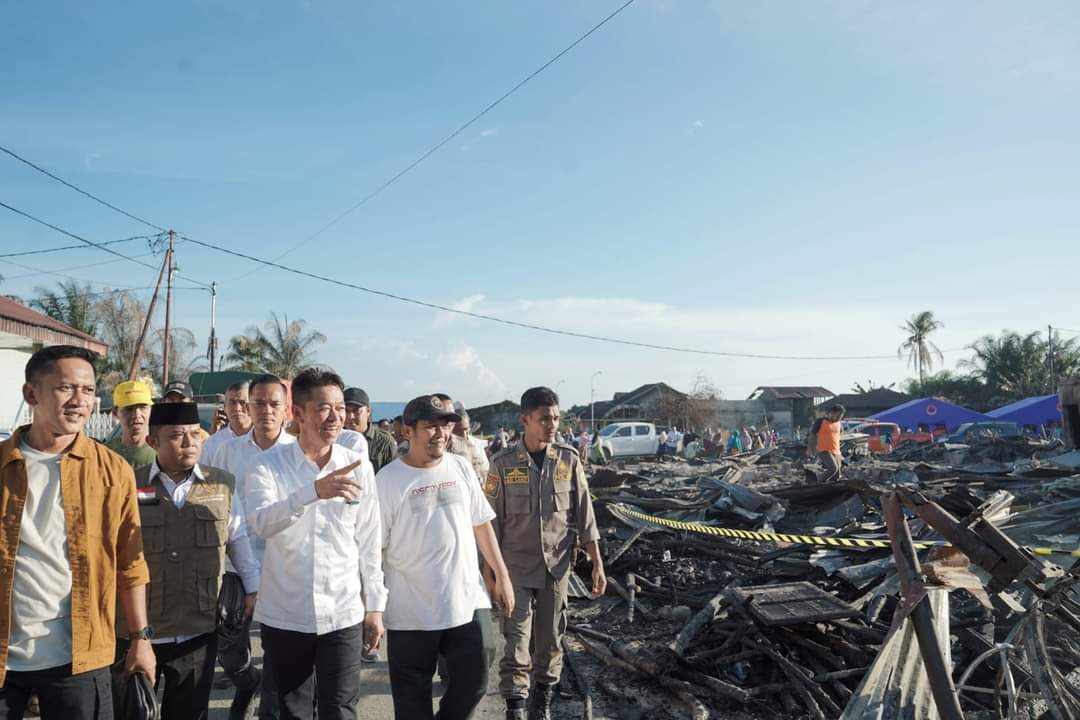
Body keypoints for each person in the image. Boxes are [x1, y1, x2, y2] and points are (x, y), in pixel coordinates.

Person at [0, 345, 154, 719]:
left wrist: (140, 640)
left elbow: (130, 563)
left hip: (79, 657)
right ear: (31, 394)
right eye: (66, 388)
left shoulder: (112, 470)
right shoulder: (3, 465)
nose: (80, 401)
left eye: (88, 390)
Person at [244, 368, 386, 720]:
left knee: (340, 709)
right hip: (287, 614)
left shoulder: (358, 467)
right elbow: (262, 523)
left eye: (340, 407)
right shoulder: (266, 466)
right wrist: (313, 492)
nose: (336, 416)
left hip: (343, 612)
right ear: (298, 414)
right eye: (324, 408)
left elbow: (369, 538)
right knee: (292, 710)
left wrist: (375, 606)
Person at [113, 402, 260, 720]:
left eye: (195, 434)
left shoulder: (221, 484)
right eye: (177, 436)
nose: (189, 442)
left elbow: (238, 540)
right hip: (138, 631)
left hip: (196, 628)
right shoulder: (126, 483)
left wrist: (252, 589)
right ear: (154, 442)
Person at [377, 396, 514, 719]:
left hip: (465, 600)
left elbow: (481, 523)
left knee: (476, 680)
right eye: (430, 426)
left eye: (445, 425)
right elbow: (373, 548)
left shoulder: (460, 466)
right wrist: (372, 605)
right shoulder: (387, 480)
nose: (440, 434)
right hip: (411, 610)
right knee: (413, 703)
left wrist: (501, 575)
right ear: (407, 431)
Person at [485, 387, 606, 720]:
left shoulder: (568, 459)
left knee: (551, 638)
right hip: (515, 569)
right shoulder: (503, 464)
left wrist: (597, 562)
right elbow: (489, 525)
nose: (552, 424)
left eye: (555, 417)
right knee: (516, 640)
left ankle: (543, 701)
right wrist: (491, 577)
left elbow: (585, 514)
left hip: (557, 565)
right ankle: (516, 707)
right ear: (525, 420)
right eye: (544, 419)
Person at [211, 374, 296, 720]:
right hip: (235, 564)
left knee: (280, 650)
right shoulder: (224, 450)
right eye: (255, 403)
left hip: (283, 565)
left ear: (286, 408)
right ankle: (247, 682)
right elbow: (213, 504)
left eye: (272, 403)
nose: (262, 411)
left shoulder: (297, 451)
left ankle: (272, 708)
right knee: (229, 644)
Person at [343, 387, 396, 474]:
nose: (350, 416)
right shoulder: (334, 440)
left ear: (368, 411)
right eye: (346, 411)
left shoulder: (384, 442)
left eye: (356, 411)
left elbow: (392, 477)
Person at [106, 379, 156, 469]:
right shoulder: (105, 453)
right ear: (115, 412)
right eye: (129, 409)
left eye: (143, 408)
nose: (136, 415)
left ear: (151, 410)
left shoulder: (164, 453)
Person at [201, 381, 252, 466]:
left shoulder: (263, 441)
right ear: (225, 407)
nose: (237, 408)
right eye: (232, 403)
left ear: (252, 406)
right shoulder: (212, 444)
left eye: (242, 402)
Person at [450, 401, 490, 483]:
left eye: (466, 429)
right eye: (458, 431)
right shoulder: (446, 448)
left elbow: (485, 468)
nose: (464, 435)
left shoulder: (476, 444)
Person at [808, 404, 845, 483]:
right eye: (838, 416)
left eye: (841, 417)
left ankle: (832, 489)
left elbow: (839, 434)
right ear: (832, 413)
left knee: (837, 474)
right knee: (833, 468)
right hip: (824, 450)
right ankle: (818, 482)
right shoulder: (820, 421)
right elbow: (813, 435)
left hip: (836, 451)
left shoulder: (839, 424)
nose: (839, 418)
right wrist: (810, 448)